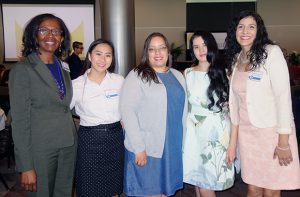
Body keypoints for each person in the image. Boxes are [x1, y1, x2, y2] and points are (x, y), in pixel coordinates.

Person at [225, 10, 300, 197]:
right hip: (247, 135)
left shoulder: (271, 53)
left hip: (271, 133)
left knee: (272, 189)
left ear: (259, 31)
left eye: (251, 27)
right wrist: (232, 142)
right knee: (252, 187)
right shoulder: (235, 60)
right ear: (234, 31)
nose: (245, 31)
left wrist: (283, 141)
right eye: (240, 26)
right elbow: (235, 103)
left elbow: (283, 98)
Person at [8, 13, 76, 197]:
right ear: (34, 35)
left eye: (56, 31)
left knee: (63, 193)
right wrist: (26, 166)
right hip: (40, 149)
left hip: (68, 144)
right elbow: (19, 122)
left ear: (62, 38)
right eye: (44, 30)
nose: (50, 36)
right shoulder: (23, 70)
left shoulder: (63, 66)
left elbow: (64, 103)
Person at [120, 32, 187, 197]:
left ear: (168, 51)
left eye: (162, 48)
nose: (158, 53)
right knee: (150, 192)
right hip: (148, 148)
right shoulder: (137, 75)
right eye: (152, 49)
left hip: (172, 147)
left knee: (166, 192)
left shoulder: (178, 76)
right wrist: (138, 147)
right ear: (146, 53)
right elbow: (127, 112)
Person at [182, 31, 235, 197]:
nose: (201, 50)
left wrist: (233, 144)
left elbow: (234, 113)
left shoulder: (225, 73)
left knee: (206, 185)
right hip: (193, 133)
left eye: (204, 45)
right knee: (198, 182)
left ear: (212, 46)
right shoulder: (187, 73)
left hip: (216, 134)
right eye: (196, 47)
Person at [70, 38, 124, 196]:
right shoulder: (77, 85)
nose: (103, 59)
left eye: (108, 55)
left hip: (115, 140)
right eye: (98, 54)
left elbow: (128, 111)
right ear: (89, 56)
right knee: (89, 188)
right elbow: (61, 112)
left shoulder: (119, 81)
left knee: (113, 188)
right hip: (89, 142)